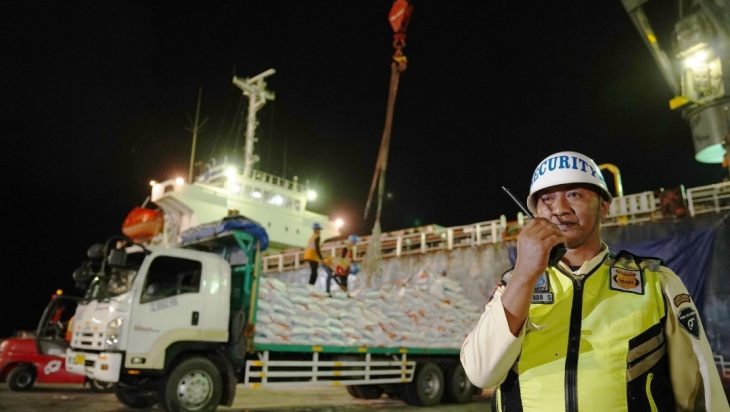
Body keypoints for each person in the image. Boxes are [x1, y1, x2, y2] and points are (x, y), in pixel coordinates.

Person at [460, 150, 729, 412]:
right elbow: (481, 374)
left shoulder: (656, 281)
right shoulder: (514, 285)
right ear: (535, 212)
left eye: (574, 194)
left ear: (603, 206)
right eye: (548, 199)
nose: (559, 209)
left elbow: (700, 388)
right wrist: (523, 273)